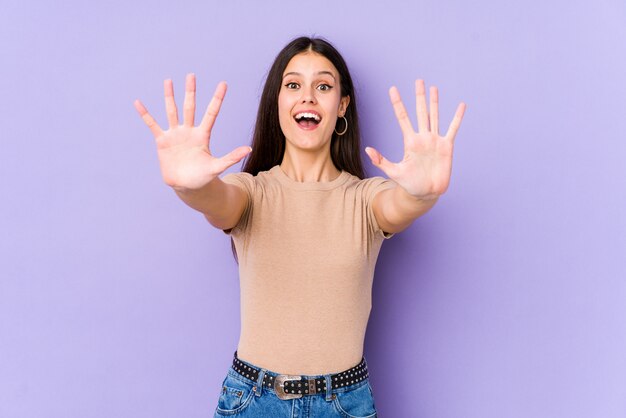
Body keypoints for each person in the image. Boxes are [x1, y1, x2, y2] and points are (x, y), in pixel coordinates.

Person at [134, 35, 465, 418]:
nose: (307, 97)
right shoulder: (252, 193)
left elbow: (399, 204)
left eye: (323, 86)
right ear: (278, 102)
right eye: (293, 85)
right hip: (253, 400)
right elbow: (216, 200)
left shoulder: (364, 199)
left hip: (345, 403)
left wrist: (423, 194)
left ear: (341, 106)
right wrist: (190, 185)